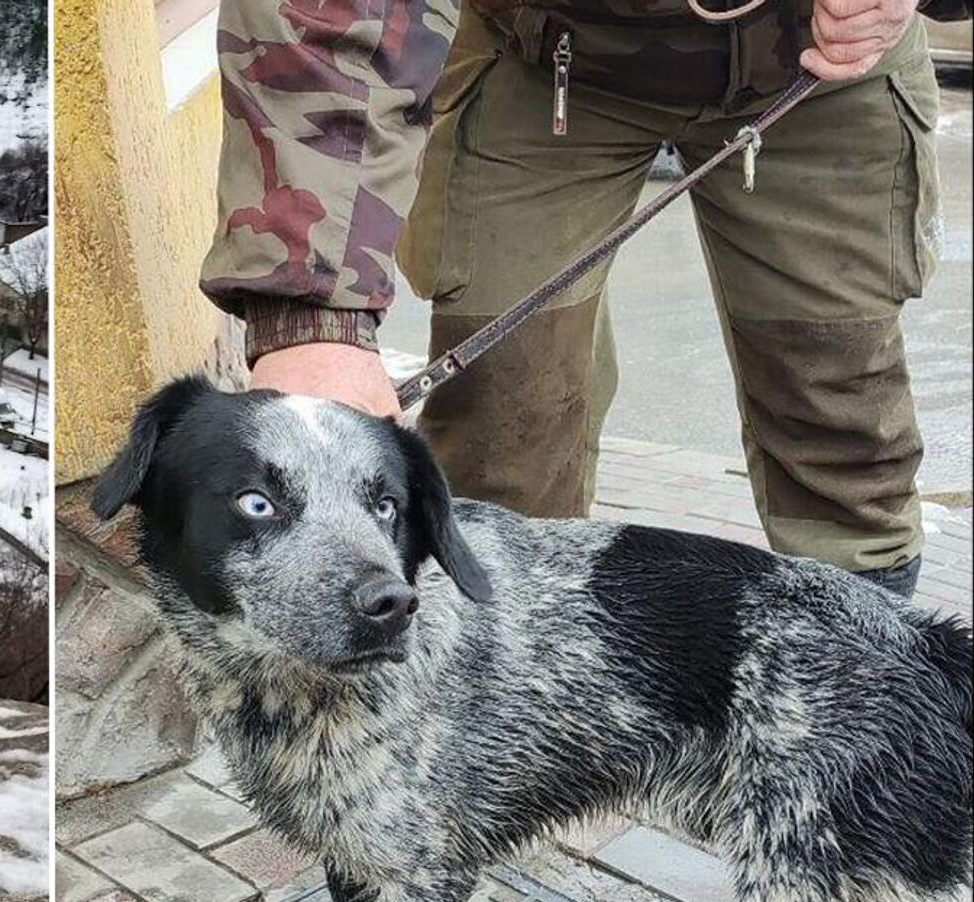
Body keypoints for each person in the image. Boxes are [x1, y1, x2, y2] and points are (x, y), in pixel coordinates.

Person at [200, 0, 959, 597]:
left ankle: (876, 724)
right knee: (504, 429)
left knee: (841, 419)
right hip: (546, 58)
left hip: (822, 64)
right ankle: (502, 733)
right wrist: (314, 314)